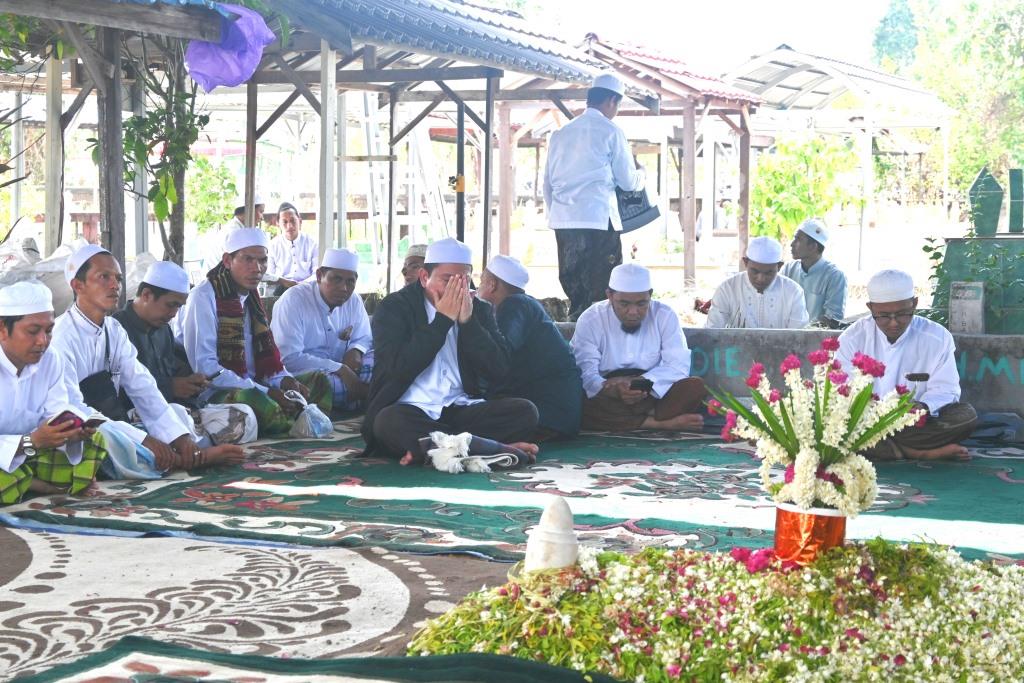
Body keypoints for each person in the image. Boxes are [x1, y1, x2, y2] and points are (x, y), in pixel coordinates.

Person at [52, 245, 243, 476]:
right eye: (104, 277)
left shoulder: (114, 329)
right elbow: (73, 409)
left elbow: (143, 386)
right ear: (77, 285)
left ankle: (180, 454)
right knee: (104, 437)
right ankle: (186, 461)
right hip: (79, 428)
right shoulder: (61, 337)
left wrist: (179, 437)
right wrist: (144, 439)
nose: (115, 285)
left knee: (175, 415)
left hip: (115, 420)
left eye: (118, 278)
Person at [362, 238, 540, 466]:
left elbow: (500, 369)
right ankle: (486, 448)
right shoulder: (395, 307)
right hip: (411, 408)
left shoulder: (479, 309)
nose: (457, 288)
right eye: (448, 280)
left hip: (460, 408)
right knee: (387, 423)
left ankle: (438, 448)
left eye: (463, 280)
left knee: (525, 412)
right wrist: (442, 321)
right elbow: (397, 369)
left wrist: (469, 324)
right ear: (425, 277)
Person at [182, 228, 331, 437]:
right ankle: (294, 420)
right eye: (247, 260)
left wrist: (284, 380)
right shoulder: (204, 296)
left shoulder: (252, 298)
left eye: (262, 261)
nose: (257, 268)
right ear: (227, 260)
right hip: (218, 391)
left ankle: (295, 417)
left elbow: (267, 361)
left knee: (319, 381)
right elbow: (206, 368)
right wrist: (267, 391)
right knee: (260, 403)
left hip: (258, 383)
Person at [837, 269, 977, 461]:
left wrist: (922, 406)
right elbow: (842, 393)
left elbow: (947, 390)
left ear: (915, 304)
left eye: (903, 314)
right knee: (828, 426)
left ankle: (890, 450)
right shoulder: (852, 338)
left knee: (965, 417)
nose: (894, 323)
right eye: (884, 316)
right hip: (866, 423)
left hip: (913, 425)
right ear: (871, 308)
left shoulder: (937, 337)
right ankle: (917, 453)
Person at [113, 261, 257, 446]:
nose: (174, 313)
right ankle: (192, 446)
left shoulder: (164, 329)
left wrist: (191, 382)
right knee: (177, 414)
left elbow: (173, 371)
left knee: (244, 415)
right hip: (140, 416)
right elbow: (114, 390)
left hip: (175, 412)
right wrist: (170, 387)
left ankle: (191, 444)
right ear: (147, 295)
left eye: (179, 307)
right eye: (171, 305)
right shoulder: (117, 329)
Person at [544, 73, 645, 321]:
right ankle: (606, 341)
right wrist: (642, 175)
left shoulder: (559, 134)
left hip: (565, 222)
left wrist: (555, 216)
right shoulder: (611, 131)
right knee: (605, 290)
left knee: (576, 289)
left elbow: (546, 184)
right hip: (598, 220)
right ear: (612, 101)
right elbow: (627, 180)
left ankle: (576, 335)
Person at [0, 281, 109, 504]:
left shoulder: (51, 359)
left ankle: (24, 481)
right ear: (2, 329)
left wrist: (70, 433)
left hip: (30, 453)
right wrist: (31, 441)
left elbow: (55, 414)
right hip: (25, 447)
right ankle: (38, 485)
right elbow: (36, 440)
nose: (43, 341)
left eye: (49, 331)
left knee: (96, 441)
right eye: (32, 331)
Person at [572, 263, 706, 433]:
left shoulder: (664, 315)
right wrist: (612, 390)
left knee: (694, 387)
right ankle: (659, 423)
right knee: (572, 400)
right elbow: (585, 373)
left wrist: (640, 383)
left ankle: (635, 418)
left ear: (650, 295)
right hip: (608, 392)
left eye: (642, 303)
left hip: (651, 391)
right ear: (610, 296)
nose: (633, 312)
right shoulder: (591, 319)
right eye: (624, 304)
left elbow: (678, 366)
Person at [476, 254, 582, 440]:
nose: (478, 287)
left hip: (548, 416)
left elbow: (501, 353)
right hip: (559, 415)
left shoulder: (514, 305)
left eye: (481, 281)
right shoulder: (525, 304)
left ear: (492, 284)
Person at [271, 248, 373, 413]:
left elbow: (364, 337)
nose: (344, 288)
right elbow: (289, 358)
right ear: (319, 276)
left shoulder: (353, 301)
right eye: (336, 279)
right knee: (325, 384)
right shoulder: (293, 301)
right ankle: (365, 397)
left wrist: (356, 350)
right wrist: (339, 368)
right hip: (306, 373)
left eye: (350, 281)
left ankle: (359, 396)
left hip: (346, 371)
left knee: (379, 358)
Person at [706, 236, 809, 329]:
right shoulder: (727, 289)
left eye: (768, 273)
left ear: (779, 266)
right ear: (745, 263)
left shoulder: (793, 292)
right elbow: (713, 330)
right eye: (755, 271)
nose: (761, 278)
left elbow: (797, 336)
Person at [782, 218, 847, 328]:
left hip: (814, 339)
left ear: (813, 247)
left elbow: (832, 318)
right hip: (786, 336)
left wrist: (805, 332)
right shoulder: (789, 269)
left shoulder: (834, 276)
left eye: (798, 239)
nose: (792, 244)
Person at [201, 194, 265, 274]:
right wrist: (278, 279)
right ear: (249, 210)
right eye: (261, 211)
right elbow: (245, 268)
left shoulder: (239, 229)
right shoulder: (234, 233)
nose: (262, 218)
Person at [267, 201, 318, 294]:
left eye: (292, 221)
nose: (289, 226)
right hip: (281, 290)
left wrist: (301, 285)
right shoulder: (273, 245)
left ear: (300, 220)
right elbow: (270, 275)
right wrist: (285, 283)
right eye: (285, 222)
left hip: (307, 289)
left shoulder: (312, 243)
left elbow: (317, 273)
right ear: (278, 223)